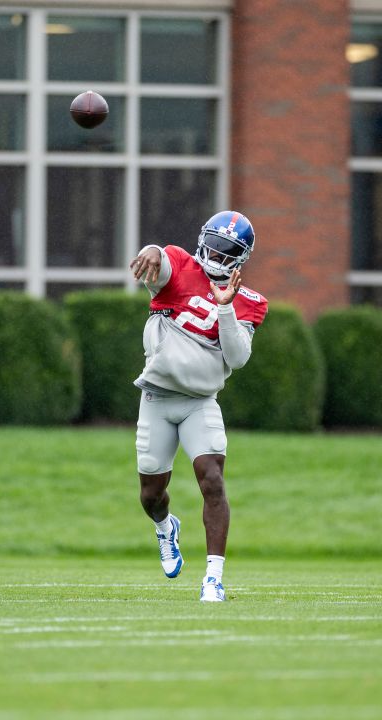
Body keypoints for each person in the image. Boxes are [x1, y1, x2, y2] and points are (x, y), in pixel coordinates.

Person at [127, 210, 268, 602]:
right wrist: (152, 249)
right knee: (151, 495)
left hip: (200, 402)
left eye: (228, 251)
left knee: (212, 479)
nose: (217, 255)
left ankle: (214, 579)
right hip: (157, 398)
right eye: (215, 245)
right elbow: (160, 261)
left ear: (241, 259)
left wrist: (224, 306)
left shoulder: (249, 301)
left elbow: (237, 357)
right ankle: (165, 528)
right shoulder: (181, 265)